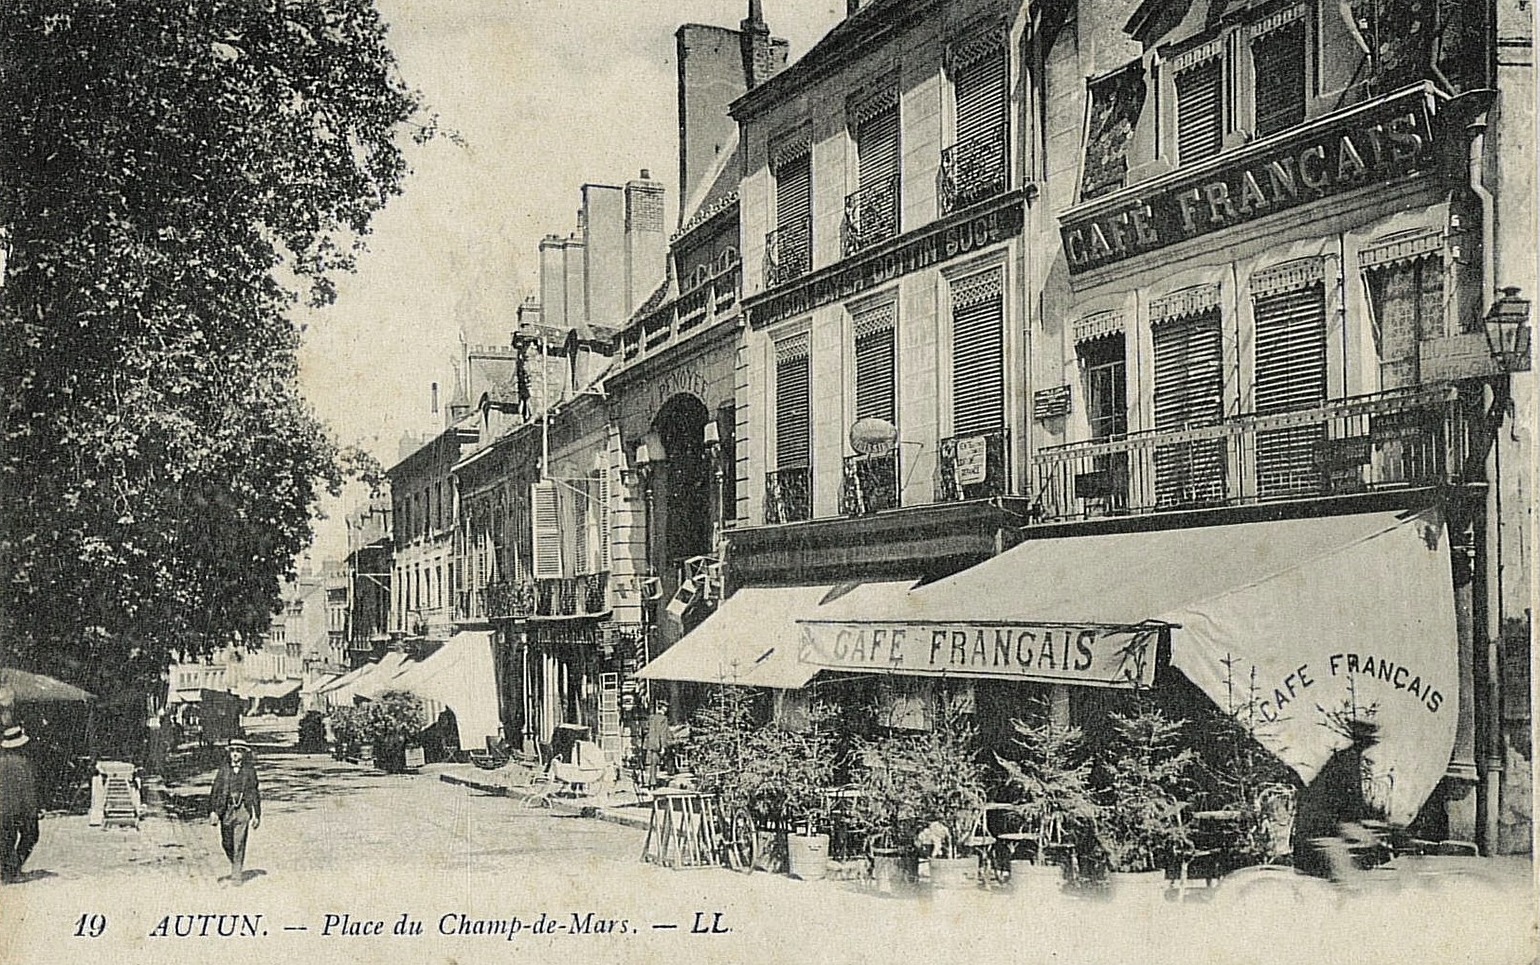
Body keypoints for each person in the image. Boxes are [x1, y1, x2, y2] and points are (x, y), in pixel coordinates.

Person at [208, 738, 261, 883]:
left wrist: (257, 815)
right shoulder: (223, 770)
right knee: (227, 842)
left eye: (239, 751)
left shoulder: (249, 771)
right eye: (233, 751)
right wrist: (213, 811)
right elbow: (215, 790)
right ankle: (235, 863)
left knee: (239, 842)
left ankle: (236, 874)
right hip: (226, 809)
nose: (235, 754)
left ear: (244, 754)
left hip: (243, 808)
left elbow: (255, 792)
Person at [0, 724, 41, 884]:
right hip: (20, 809)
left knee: (5, 840)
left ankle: (5, 870)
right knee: (30, 836)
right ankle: (13, 869)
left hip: (2, 811)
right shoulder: (24, 764)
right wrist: (34, 811)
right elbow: (28, 791)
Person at [643, 701, 673, 788]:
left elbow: (646, 730)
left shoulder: (651, 718)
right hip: (658, 744)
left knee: (653, 763)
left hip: (650, 743)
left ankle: (651, 782)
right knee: (657, 762)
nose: (667, 709)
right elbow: (662, 733)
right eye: (666, 708)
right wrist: (663, 747)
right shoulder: (663, 719)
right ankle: (653, 782)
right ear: (664, 708)